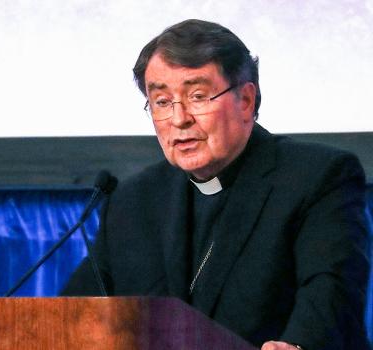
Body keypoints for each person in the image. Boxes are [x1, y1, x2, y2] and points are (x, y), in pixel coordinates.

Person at [62, 19, 371, 350]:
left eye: (197, 96)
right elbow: (74, 315)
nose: (179, 119)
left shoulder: (316, 178)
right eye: (162, 102)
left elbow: (330, 293)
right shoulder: (134, 201)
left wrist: (299, 345)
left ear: (246, 101)